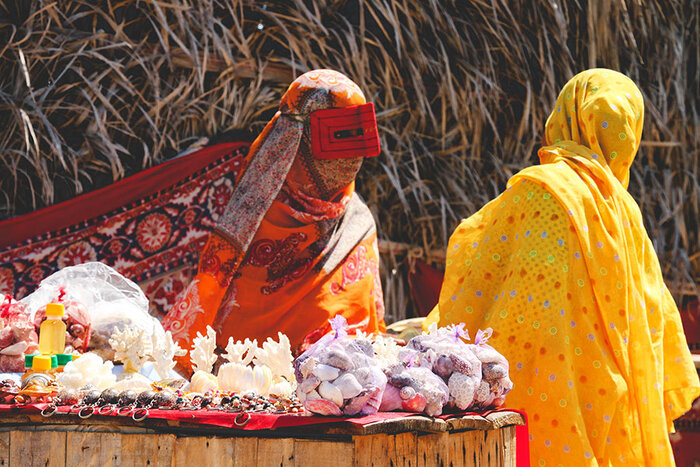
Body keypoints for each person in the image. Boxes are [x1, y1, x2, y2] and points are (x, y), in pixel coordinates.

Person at [425, 69, 699, 465]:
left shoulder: (541, 191)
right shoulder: (624, 212)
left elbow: (500, 296)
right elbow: (653, 318)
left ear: (566, 116)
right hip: (609, 398)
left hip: (535, 398)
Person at [163, 69, 385, 357]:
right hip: (238, 383)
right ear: (295, 142)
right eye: (337, 143)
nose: (350, 162)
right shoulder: (250, 220)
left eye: (357, 145)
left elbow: (368, 340)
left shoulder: (357, 225)